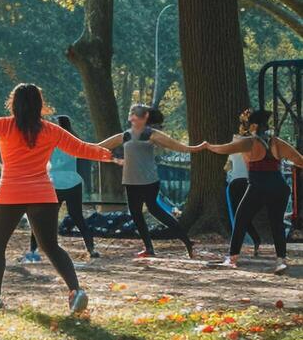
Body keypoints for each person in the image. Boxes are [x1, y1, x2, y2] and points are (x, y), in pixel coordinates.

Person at [0, 88, 116, 313]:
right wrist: (111, 156)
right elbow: (82, 149)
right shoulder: (51, 130)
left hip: (11, 194)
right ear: (39, 105)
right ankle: (76, 291)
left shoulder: (4, 125)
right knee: (51, 247)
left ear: (13, 103)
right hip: (43, 195)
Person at [97, 104, 202, 259]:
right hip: (131, 182)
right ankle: (149, 248)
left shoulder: (151, 134)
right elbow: (98, 147)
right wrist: (73, 147)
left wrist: (197, 148)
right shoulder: (125, 135)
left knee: (154, 210)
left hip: (148, 181)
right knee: (137, 214)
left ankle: (186, 241)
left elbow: (177, 146)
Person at [206, 109, 299, 273]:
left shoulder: (250, 141)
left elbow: (225, 148)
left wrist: (207, 146)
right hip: (279, 187)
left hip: (258, 186)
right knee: (276, 223)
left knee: (241, 219)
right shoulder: (277, 142)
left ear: (254, 125)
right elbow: (299, 160)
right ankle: (281, 261)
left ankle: (232, 257)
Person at [29, 114, 99, 263]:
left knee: (42, 218)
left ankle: (33, 250)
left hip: (55, 184)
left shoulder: (51, 141)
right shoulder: (74, 141)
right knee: (78, 217)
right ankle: (91, 248)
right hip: (74, 182)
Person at [220, 118, 264, 259]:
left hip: (237, 182)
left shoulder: (237, 142)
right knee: (242, 215)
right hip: (247, 181)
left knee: (238, 216)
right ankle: (254, 239)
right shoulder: (255, 142)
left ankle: (239, 247)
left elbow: (229, 164)